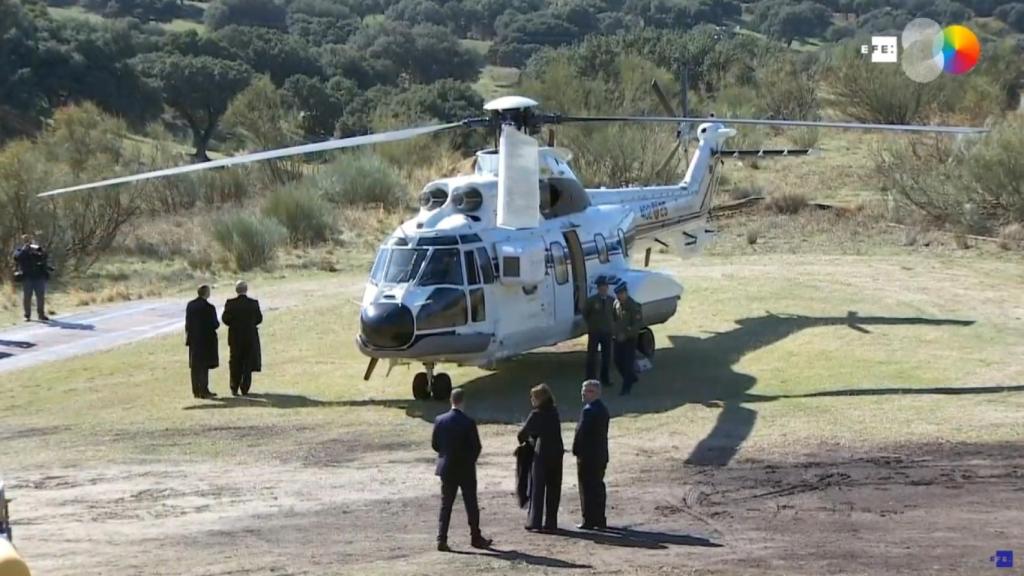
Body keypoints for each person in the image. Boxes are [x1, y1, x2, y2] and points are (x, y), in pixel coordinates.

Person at [432, 388, 492, 552]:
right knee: (471, 504)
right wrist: (469, 461)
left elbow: (435, 445)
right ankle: (475, 536)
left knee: (446, 505)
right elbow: (476, 447)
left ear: (451, 401)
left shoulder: (439, 420)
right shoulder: (468, 422)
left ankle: (441, 538)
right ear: (463, 402)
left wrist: (446, 455)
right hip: (465, 469)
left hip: (447, 468)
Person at [517, 383, 564, 532]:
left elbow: (522, 434)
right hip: (557, 452)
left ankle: (534, 521)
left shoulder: (536, 414)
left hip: (542, 452)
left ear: (538, 398)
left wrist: (529, 440)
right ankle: (551, 522)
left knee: (537, 488)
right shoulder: (554, 411)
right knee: (554, 488)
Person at [572, 380, 610, 530]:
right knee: (598, 487)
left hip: (588, 456)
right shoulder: (603, 409)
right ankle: (600, 519)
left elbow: (581, 434)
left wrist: (576, 450)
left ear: (596, 393)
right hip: (600, 454)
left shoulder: (588, 410)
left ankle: (588, 519)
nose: (583, 393)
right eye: (583, 390)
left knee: (587, 488)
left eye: (587, 391)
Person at [222, 281, 262, 396]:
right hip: (250, 336)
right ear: (246, 289)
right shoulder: (253, 303)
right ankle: (245, 387)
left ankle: (234, 386)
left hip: (235, 337)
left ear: (236, 290)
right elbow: (259, 319)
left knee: (235, 362)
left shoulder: (230, 303)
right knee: (248, 362)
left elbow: (225, 319)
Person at [184, 285, 219, 399]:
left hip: (194, 339)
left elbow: (188, 323)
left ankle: (196, 390)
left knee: (195, 366)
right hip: (206, 340)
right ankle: (204, 390)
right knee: (204, 366)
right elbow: (215, 324)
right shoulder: (209, 308)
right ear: (206, 293)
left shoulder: (190, 305)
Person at [583, 276, 614, 388]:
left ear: (607, 287)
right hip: (595, 332)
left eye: (605, 286)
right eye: (601, 287)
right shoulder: (592, 301)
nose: (603, 289)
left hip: (607, 332)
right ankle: (590, 379)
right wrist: (592, 324)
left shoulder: (612, 300)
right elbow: (585, 313)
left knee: (607, 356)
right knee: (592, 356)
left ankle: (605, 378)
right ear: (598, 288)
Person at [12, 233, 51, 322]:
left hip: (39, 276)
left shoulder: (37, 248)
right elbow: (17, 258)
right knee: (27, 297)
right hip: (27, 277)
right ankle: (27, 315)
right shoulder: (20, 250)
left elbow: (45, 256)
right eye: (26, 240)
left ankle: (41, 314)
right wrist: (24, 250)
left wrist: (38, 251)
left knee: (40, 296)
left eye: (29, 240)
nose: (28, 242)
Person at [612, 283, 642, 396]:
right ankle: (631, 378)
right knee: (617, 360)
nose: (619, 297)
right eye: (617, 294)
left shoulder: (634, 306)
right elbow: (615, 320)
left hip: (630, 339)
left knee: (628, 363)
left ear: (626, 293)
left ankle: (626, 388)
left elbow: (637, 324)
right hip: (618, 338)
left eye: (621, 294)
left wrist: (626, 334)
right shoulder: (616, 304)